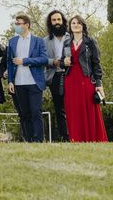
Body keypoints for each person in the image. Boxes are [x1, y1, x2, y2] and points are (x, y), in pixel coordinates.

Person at [61, 15, 107, 142]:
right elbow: (61, 62)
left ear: (83, 26)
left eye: (79, 23)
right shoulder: (66, 42)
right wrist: (63, 62)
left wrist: (99, 83)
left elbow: (96, 64)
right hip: (70, 80)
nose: (76, 25)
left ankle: (93, 138)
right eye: (73, 23)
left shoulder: (90, 42)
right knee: (73, 110)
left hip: (85, 79)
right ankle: (75, 139)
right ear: (70, 26)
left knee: (88, 109)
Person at [7, 14, 48, 143]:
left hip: (34, 82)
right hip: (18, 83)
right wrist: (10, 81)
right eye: (16, 23)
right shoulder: (12, 41)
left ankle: (38, 140)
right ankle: (28, 140)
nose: (16, 26)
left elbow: (44, 59)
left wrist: (25, 61)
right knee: (24, 114)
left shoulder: (38, 41)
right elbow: (9, 62)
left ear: (26, 25)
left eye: (19, 23)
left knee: (36, 112)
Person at [44, 10, 70, 142]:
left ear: (63, 21)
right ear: (50, 23)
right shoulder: (45, 41)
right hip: (54, 76)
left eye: (59, 19)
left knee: (72, 105)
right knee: (59, 108)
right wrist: (53, 62)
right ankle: (65, 137)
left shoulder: (71, 37)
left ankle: (76, 134)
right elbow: (43, 59)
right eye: (54, 20)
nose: (57, 22)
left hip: (70, 75)